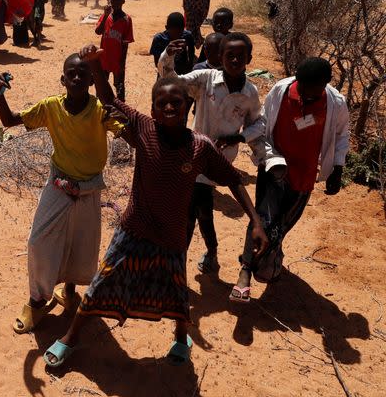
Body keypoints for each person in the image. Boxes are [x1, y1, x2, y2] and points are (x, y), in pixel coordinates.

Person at [41, 45, 268, 368]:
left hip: (172, 236)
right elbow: (110, 100)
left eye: (177, 102)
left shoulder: (199, 148)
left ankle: (180, 337)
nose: (171, 107)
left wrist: (256, 221)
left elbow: (233, 178)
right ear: (154, 109)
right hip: (134, 228)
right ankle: (71, 336)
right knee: (102, 282)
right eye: (163, 104)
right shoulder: (145, 129)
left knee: (177, 293)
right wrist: (95, 63)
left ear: (188, 105)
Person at [0, 54, 124, 335]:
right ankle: (36, 301)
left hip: (89, 187)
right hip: (59, 183)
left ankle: (70, 292)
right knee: (38, 241)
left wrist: (100, 69)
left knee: (80, 243)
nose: (77, 78)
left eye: (83, 73)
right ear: (63, 79)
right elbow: (9, 120)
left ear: (91, 80)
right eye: (71, 74)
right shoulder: (51, 107)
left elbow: (122, 125)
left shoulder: (100, 109)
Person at [231, 57, 349, 302]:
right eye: (302, 89)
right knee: (261, 220)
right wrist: (265, 156)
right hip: (273, 169)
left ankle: (271, 259)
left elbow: (341, 134)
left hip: (304, 176)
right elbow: (263, 124)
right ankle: (245, 271)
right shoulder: (281, 91)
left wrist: (337, 168)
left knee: (282, 225)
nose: (306, 96)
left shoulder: (335, 103)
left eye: (312, 92)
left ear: (326, 84)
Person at [158, 32, 265, 274]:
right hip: (194, 156)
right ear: (220, 57)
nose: (235, 61)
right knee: (197, 208)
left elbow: (258, 123)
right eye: (230, 56)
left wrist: (238, 137)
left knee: (199, 209)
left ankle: (204, 253)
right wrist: (168, 56)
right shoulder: (206, 79)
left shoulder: (250, 93)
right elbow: (170, 81)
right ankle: (190, 259)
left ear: (249, 58)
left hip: (222, 161)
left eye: (240, 56)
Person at [95, 0, 134, 101]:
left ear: (123, 1)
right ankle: (101, 107)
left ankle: (121, 109)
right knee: (102, 84)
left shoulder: (127, 20)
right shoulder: (106, 16)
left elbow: (126, 43)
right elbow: (98, 31)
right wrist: (105, 16)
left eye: (117, 0)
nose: (114, 3)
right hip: (104, 58)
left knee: (119, 87)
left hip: (117, 59)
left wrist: (122, 62)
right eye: (113, 0)